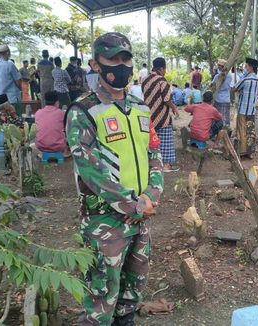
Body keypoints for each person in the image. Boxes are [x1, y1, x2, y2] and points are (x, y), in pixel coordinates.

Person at [65, 32, 163, 326]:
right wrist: (132, 206)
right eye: (113, 59)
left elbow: (154, 157)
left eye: (126, 59)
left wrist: (149, 197)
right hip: (104, 222)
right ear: (96, 65)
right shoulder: (83, 111)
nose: (121, 65)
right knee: (101, 298)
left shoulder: (140, 108)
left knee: (132, 293)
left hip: (141, 217)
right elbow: (91, 171)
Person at [142, 57, 180, 172]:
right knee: (165, 140)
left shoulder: (145, 79)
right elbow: (167, 99)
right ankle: (166, 165)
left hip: (149, 115)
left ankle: (153, 164)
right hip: (162, 116)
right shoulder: (162, 81)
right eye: (165, 69)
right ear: (162, 68)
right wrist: (174, 108)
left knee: (153, 141)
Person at [234, 57, 258, 158]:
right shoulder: (257, 80)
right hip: (251, 110)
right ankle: (250, 152)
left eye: (246, 66)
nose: (245, 68)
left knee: (241, 130)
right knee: (250, 131)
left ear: (250, 67)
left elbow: (234, 89)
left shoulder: (245, 79)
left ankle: (242, 151)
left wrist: (239, 91)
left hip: (242, 109)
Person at [0, 45, 22, 115]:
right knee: (16, 119)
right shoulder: (10, 64)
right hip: (11, 98)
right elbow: (18, 82)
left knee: (3, 120)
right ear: (8, 52)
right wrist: (20, 89)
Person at [211, 59, 233, 126]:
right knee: (225, 119)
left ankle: (221, 133)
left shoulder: (217, 76)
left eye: (219, 66)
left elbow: (212, 86)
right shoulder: (230, 76)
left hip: (219, 99)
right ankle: (225, 133)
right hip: (225, 99)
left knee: (219, 119)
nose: (218, 67)